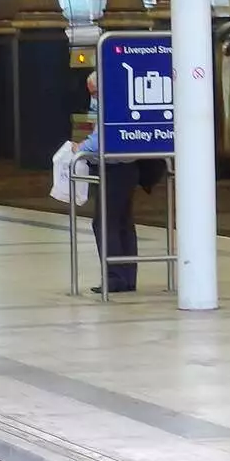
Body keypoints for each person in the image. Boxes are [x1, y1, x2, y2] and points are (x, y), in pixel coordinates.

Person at [74, 71, 138, 294]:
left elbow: (102, 139)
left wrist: (80, 148)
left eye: (94, 93)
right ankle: (127, 277)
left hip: (114, 168)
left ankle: (114, 277)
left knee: (104, 223)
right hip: (128, 168)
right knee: (122, 223)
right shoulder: (121, 100)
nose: (93, 98)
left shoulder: (111, 104)